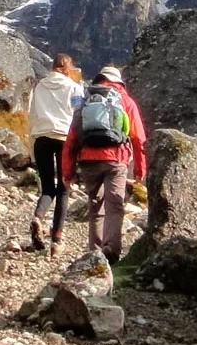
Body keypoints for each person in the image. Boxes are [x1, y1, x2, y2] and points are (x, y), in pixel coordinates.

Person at [61, 66, 147, 263]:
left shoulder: (85, 101)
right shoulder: (126, 101)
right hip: (116, 159)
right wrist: (141, 170)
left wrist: (68, 173)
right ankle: (111, 251)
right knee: (115, 205)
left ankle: (95, 252)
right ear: (118, 82)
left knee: (95, 206)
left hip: (88, 160)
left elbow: (72, 139)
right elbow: (138, 139)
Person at [25, 53, 83, 253]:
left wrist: (32, 141)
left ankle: (38, 217)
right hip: (64, 138)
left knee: (48, 187)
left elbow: (32, 114)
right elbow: (78, 114)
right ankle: (56, 238)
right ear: (68, 68)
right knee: (64, 187)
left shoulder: (39, 86)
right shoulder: (74, 87)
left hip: (41, 137)